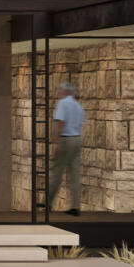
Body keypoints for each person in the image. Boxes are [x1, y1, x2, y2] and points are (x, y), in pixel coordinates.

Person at [52, 81, 86, 212]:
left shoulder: (63, 103)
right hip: (77, 139)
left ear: (65, 92)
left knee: (57, 172)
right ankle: (75, 206)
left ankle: (48, 203)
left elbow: (61, 121)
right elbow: (81, 123)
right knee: (75, 174)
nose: (60, 93)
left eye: (61, 91)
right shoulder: (78, 105)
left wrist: (57, 141)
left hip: (65, 140)